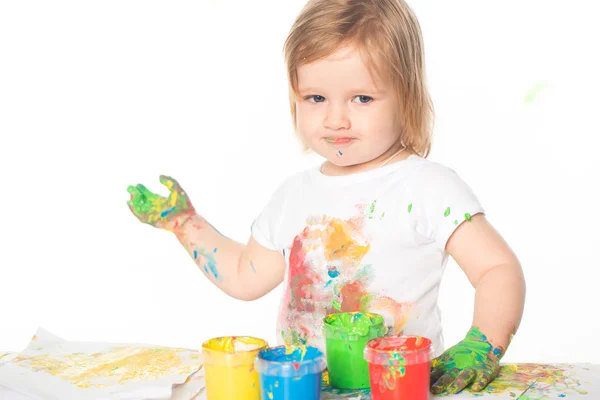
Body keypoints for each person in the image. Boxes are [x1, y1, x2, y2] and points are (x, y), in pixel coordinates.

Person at [127, 0, 526, 394]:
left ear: (407, 97)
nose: (336, 119)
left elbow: (497, 269)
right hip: (305, 387)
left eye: (362, 98)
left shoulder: (426, 187)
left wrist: (483, 345)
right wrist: (184, 223)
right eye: (316, 98)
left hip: (395, 387)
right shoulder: (292, 196)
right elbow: (244, 276)